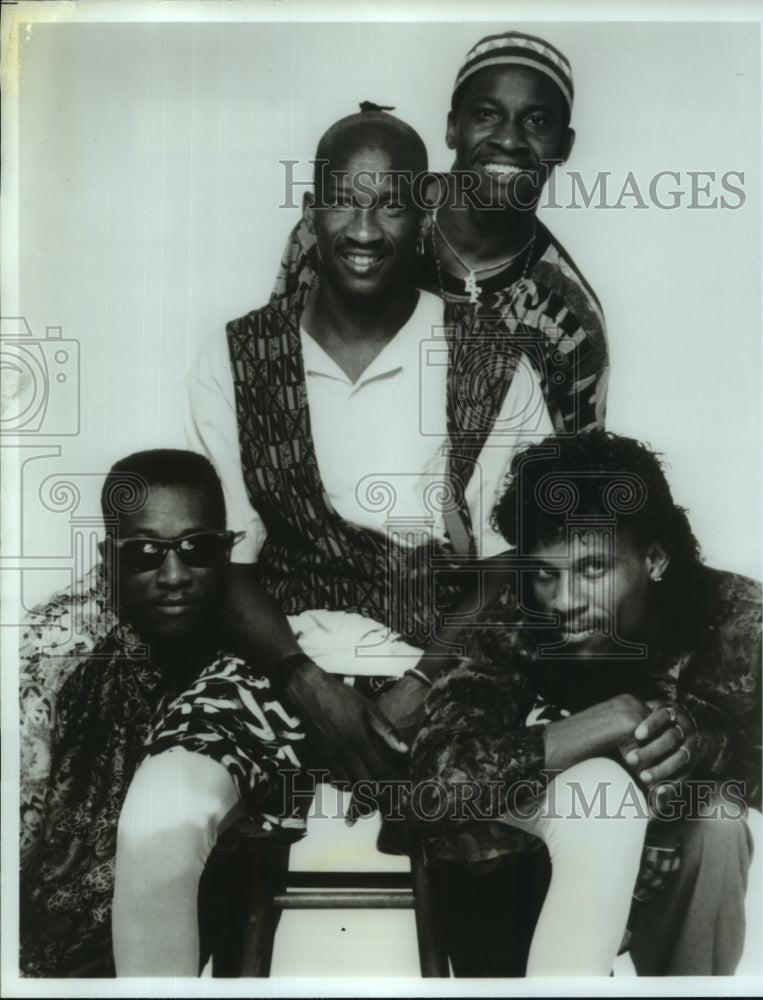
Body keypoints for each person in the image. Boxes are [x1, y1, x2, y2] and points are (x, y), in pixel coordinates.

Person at [111, 106, 554, 975]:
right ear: (309, 207)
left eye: (389, 204)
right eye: (341, 202)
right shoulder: (237, 357)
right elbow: (222, 560)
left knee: (517, 842)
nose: (361, 229)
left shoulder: (489, 356)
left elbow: (511, 567)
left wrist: (419, 687)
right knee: (155, 816)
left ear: (425, 207)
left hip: (444, 665)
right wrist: (306, 685)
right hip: (279, 657)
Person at [409, 429, 761, 976]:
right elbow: (436, 780)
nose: (564, 601)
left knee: (720, 821)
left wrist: (698, 738)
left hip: (662, 859)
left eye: (593, 569)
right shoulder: (515, 618)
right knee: (596, 798)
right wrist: (596, 726)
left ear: (655, 559)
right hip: (518, 872)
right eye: (547, 574)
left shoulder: (739, 618)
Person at [19, 449, 292, 976]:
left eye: (198, 549)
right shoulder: (56, 646)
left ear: (228, 551)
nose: (174, 574)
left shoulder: (250, 643)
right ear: (108, 555)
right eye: (145, 552)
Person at [273, 31, 609, 436]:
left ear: (564, 146)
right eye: (486, 113)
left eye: (537, 121)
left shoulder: (570, 320)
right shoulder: (347, 233)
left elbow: (569, 481)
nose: (508, 138)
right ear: (452, 128)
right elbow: (271, 383)